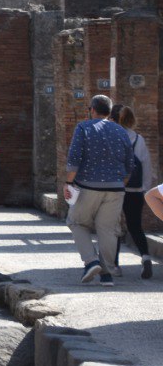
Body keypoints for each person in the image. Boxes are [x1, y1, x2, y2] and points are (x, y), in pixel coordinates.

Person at [64, 94, 134, 287]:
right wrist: (120, 182)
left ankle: (91, 261)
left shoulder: (83, 128)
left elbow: (74, 157)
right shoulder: (121, 131)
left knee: (76, 222)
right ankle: (107, 274)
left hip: (88, 185)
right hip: (116, 187)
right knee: (108, 230)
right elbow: (130, 163)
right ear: (109, 112)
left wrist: (68, 182)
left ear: (92, 110)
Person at [111, 105, 154, 279]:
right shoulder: (138, 139)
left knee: (113, 227)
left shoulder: (111, 138)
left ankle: (114, 265)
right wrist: (145, 188)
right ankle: (145, 257)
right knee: (135, 226)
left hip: (115, 189)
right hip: (135, 189)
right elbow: (146, 165)